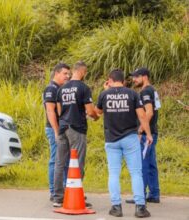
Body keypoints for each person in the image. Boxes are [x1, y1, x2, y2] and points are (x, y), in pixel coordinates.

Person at [95, 69, 152, 218]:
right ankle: (140, 208)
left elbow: (97, 113)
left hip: (111, 140)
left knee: (114, 173)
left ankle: (116, 207)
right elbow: (142, 115)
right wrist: (148, 133)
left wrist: (106, 91)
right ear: (123, 81)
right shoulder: (132, 94)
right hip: (130, 138)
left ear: (110, 80)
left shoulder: (104, 94)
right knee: (136, 173)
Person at [52, 61, 98, 208]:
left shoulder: (61, 89)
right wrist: (96, 117)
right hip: (77, 128)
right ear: (83, 72)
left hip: (63, 127)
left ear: (73, 71)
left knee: (60, 162)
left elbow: (59, 111)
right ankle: (76, 194)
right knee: (78, 163)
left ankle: (58, 197)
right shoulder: (83, 88)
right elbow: (90, 111)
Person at [126, 67, 161, 204]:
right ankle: (154, 194)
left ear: (144, 77)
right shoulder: (152, 89)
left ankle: (140, 195)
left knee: (143, 164)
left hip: (147, 134)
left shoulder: (146, 91)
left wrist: (141, 130)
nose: (134, 79)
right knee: (151, 164)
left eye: (136, 77)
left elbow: (150, 112)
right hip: (153, 132)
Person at [43, 63, 70, 201]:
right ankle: (54, 192)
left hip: (62, 129)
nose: (67, 76)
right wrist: (56, 131)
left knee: (64, 161)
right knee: (55, 160)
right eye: (65, 73)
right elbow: (50, 111)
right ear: (57, 73)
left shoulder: (61, 89)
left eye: (68, 74)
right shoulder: (51, 89)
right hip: (54, 129)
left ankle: (65, 189)